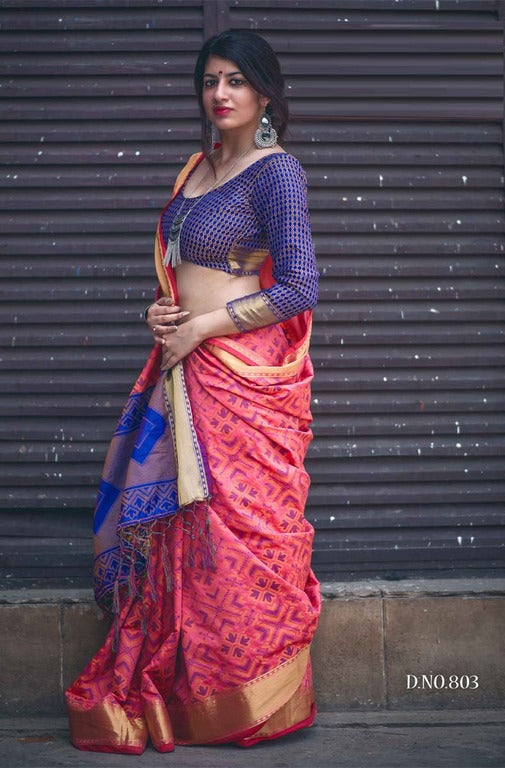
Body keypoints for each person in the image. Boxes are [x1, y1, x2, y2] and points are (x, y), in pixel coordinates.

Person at [65, 28, 321, 754]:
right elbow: (182, 267)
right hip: (184, 362)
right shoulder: (197, 170)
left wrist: (204, 324)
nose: (221, 94)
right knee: (184, 540)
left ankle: (254, 699)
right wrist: (160, 311)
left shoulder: (277, 173)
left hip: (240, 378)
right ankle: (188, 694)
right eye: (211, 80)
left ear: (264, 90)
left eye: (237, 80)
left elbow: (303, 283)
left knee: (238, 536)